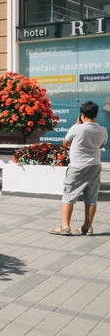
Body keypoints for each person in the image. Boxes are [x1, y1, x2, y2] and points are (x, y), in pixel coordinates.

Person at [49, 101, 107, 236]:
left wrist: (76, 124)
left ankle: (65, 226)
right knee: (91, 197)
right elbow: (100, 145)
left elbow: (65, 143)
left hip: (77, 166)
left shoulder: (76, 128)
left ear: (82, 115)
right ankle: (88, 227)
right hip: (94, 165)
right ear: (96, 114)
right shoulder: (102, 130)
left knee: (69, 195)